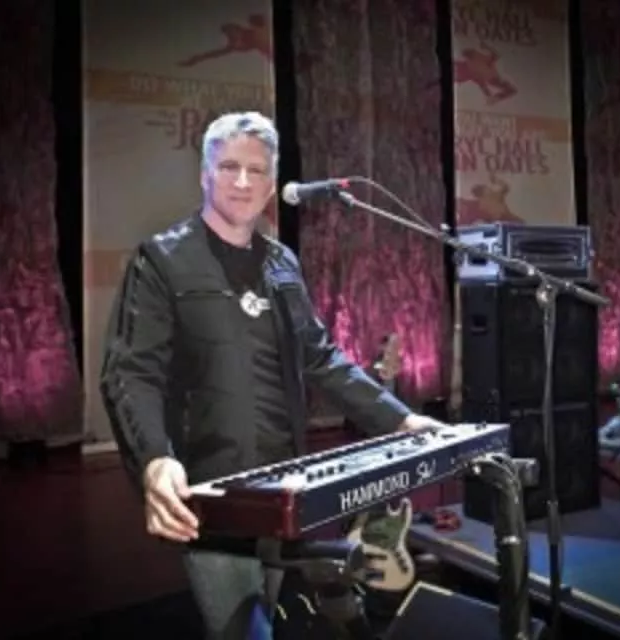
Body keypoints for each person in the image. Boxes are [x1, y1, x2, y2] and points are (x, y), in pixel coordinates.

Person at [99, 111, 443, 640]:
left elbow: (320, 358)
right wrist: (154, 459)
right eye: (229, 167)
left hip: (286, 490)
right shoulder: (162, 259)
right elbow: (130, 372)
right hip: (215, 498)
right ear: (205, 174)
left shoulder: (282, 264)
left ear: (271, 183)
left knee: (284, 620)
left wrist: (400, 420)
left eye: (256, 170)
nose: (242, 181)